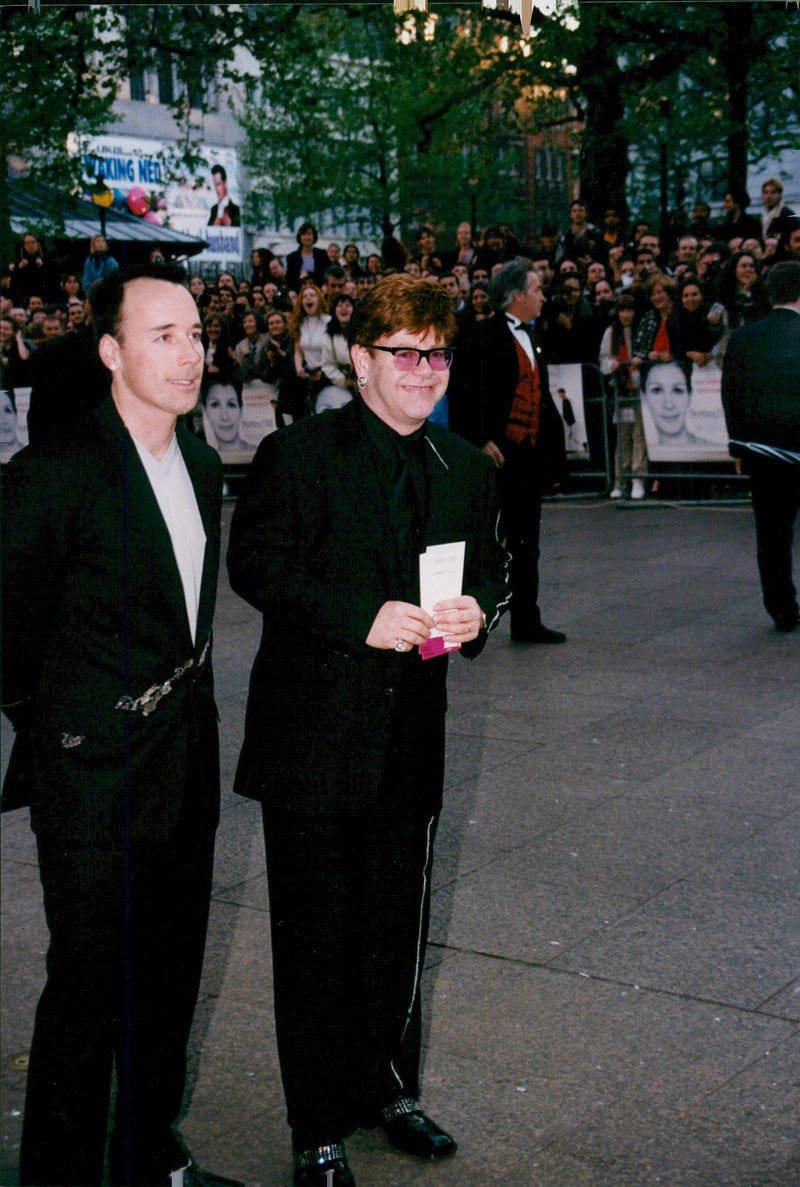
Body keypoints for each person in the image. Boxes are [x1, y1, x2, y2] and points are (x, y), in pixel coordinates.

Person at [227, 273, 509, 1187]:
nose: (427, 371)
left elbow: (492, 570)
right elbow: (256, 562)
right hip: (311, 742)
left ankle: (390, 1090)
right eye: (407, 353)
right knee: (315, 941)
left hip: (411, 739)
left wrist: (478, 614)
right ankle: (317, 1128)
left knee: (397, 927)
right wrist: (361, 613)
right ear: (360, 360)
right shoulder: (299, 455)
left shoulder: (462, 466)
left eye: (439, 354)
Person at [1, 263, 241, 1187]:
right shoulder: (54, 473)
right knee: (88, 991)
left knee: (169, 983)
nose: (190, 355)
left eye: (195, 334)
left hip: (184, 761)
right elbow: (10, 633)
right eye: (163, 335)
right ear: (110, 351)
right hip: (93, 777)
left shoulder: (208, 464)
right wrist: (68, 730)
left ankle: (148, 1155)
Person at [452, 257, 567, 643]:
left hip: (527, 456)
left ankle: (526, 621)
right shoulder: (482, 335)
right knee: (482, 540)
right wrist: (480, 440)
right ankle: (464, 621)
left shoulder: (533, 336)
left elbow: (540, 396)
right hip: (495, 455)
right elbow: (464, 392)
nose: (542, 296)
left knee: (526, 543)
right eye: (536, 289)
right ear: (516, 295)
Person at [721, 260, 800, 632]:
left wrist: (739, 447)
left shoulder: (743, 338)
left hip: (764, 451)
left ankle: (782, 607)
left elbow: (731, 397)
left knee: (772, 534)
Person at [640, 359, 708, 446]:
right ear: (644, 397)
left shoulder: (711, 451)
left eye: (677, 390)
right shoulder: (646, 454)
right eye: (657, 390)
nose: (669, 405)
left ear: (690, 395)